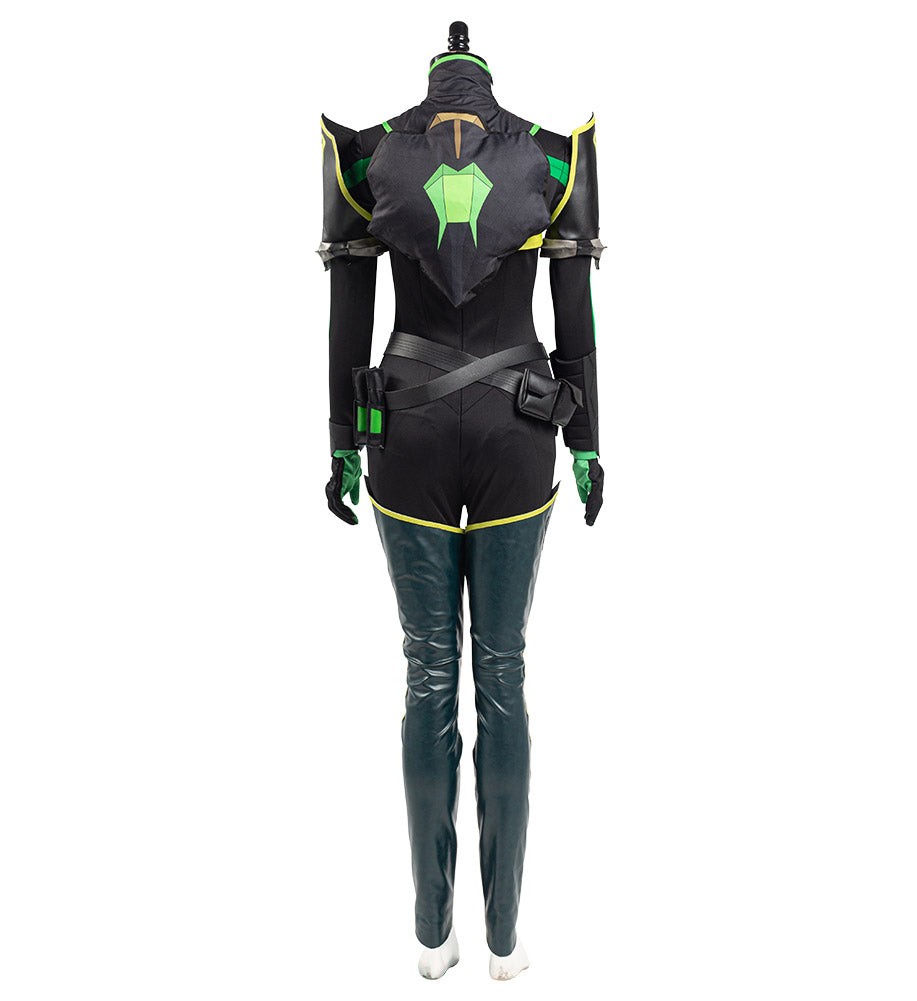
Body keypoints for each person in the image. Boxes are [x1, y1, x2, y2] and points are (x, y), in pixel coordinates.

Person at [318, 22, 605, 980]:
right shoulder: (554, 158)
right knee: (503, 673)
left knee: (428, 677)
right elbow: (574, 319)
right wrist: (588, 442)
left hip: (405, 426)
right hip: (518, 427)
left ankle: (432, 934)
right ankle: (505, 941)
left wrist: (341, 440)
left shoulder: (365, 156)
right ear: (480, 76)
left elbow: (348, 316)